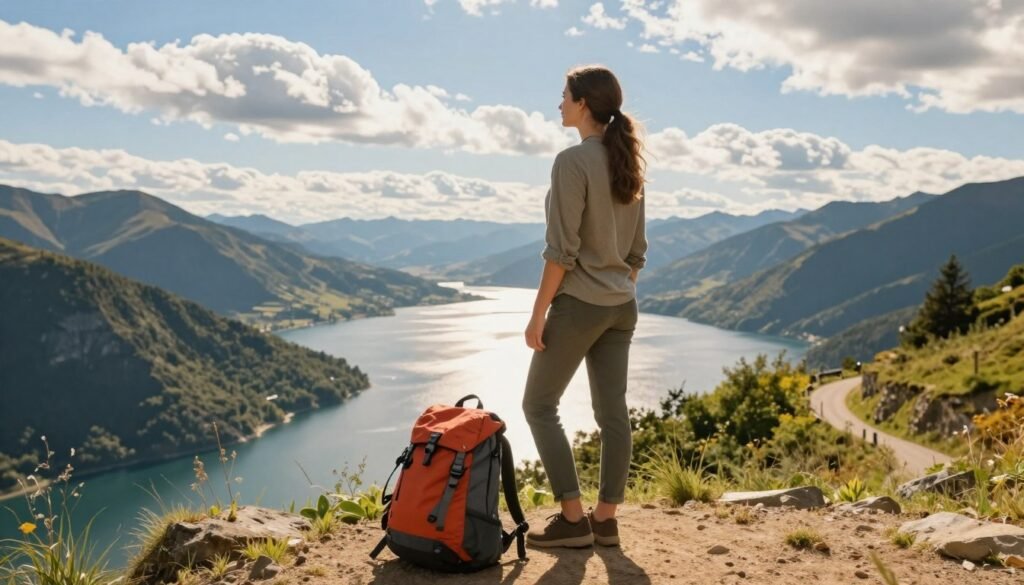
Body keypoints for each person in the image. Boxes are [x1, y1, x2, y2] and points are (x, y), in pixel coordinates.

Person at [521, 64, 647, 549]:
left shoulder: (571, 162)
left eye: (564, 95)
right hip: (622, 306)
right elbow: (636, 254)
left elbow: (561, 253)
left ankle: (573, 521)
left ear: (583, 105)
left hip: (579, 307)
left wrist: (538, 315)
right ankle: (606, 520)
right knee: (613, 414)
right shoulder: (628, 164)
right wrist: (614, 288)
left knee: (537, 405)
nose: (558, 104)